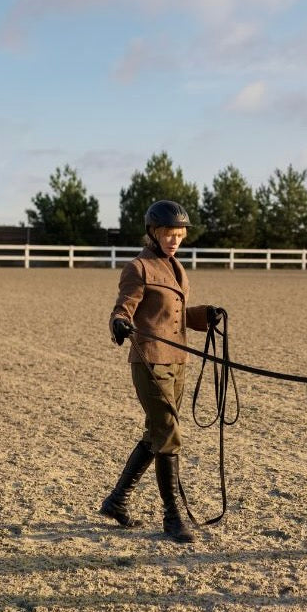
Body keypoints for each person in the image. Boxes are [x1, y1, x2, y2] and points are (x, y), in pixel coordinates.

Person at [101, 200, 221, 543]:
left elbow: (176, 317)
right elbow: (123, 307)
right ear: (153, 233)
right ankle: (172, 517)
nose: (174, 240)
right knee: (168, 433)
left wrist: (205, 316)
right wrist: (120, 323)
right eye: (169, 233)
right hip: (149, 361)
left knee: (156, 433)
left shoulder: (176, 268)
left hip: (177, 362)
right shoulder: (138, 268)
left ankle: (116, 501)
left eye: (179, 235)